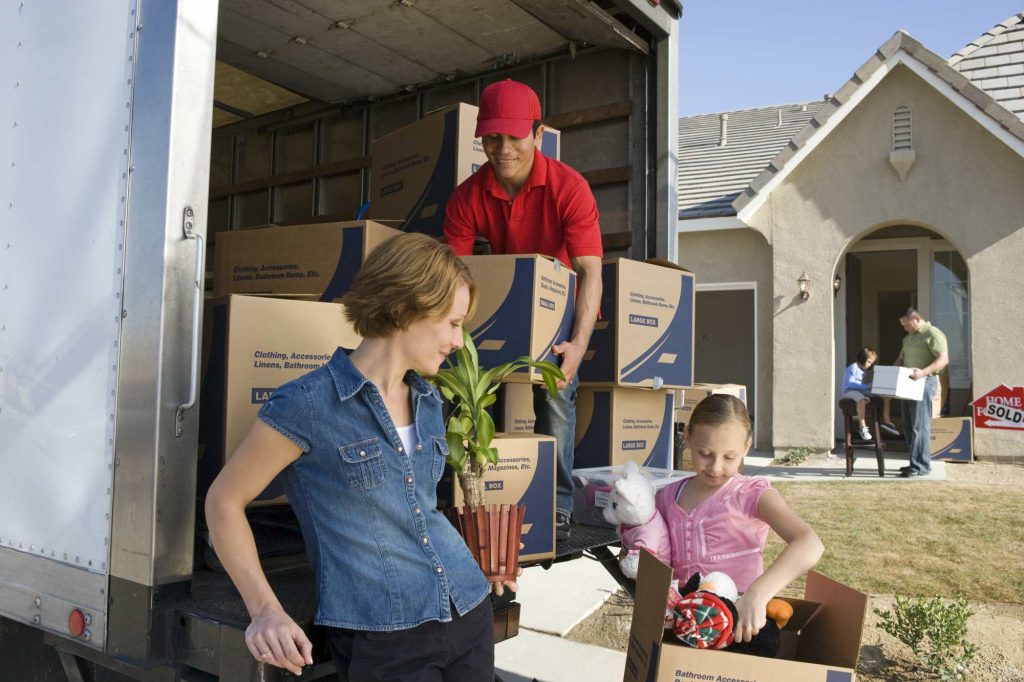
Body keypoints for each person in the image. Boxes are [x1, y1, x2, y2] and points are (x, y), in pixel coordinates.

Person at [205, 233, 515, 681]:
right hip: (385, 636)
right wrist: (265, 610)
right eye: (452, 322)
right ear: (406, 308)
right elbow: (223, 502)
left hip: (467, 606)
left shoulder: (429, 401)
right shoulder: (307, 404)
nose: (458, 339)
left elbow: (418, 511)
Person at [444, 79, 604, 540]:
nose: (502, 148)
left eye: (514, 136)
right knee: (454, 390)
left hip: (554, 315)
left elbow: (590, 273)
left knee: (555, 394)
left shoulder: (569, 188)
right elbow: (451, 274)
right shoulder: (467, 196)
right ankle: (450, 498)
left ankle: (557, 507)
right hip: (495, 307)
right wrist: (448, 334)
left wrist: (578, 345)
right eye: (492, 136)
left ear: (538, 134)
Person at [655, 395, 824, 644]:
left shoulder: (752, 494)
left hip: (740, 629)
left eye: (729, 457)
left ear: (746, 448)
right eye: (705, 453)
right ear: (688, 436)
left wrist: (758, 594)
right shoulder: (667, 496)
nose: (715, 467)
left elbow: (810, 543)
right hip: (682, 629)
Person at [894, 307, 948, 478]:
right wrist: (892, 372)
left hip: (924, 382)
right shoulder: (908, 338)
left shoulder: (933, 333)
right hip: (907, 384)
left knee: (920, 426)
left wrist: (923, 373)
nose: (905, 328)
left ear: (917, 319)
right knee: (908, 426)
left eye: (907, 324)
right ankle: (914, 462)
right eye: (903, 326)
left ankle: (921, 466)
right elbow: (901, 359)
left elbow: (943, 359)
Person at [841, 347, 879, 441]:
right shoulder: (853, 367)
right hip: (848, 391)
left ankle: (886, 421)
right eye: (869, 362)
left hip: (858, 391)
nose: (870, 365)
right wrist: (866, 386)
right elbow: (850, 383)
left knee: (879, 394)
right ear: (863, 358)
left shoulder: (861, 369)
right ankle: (862, 427)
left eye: (872, 363)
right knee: (861, 399)